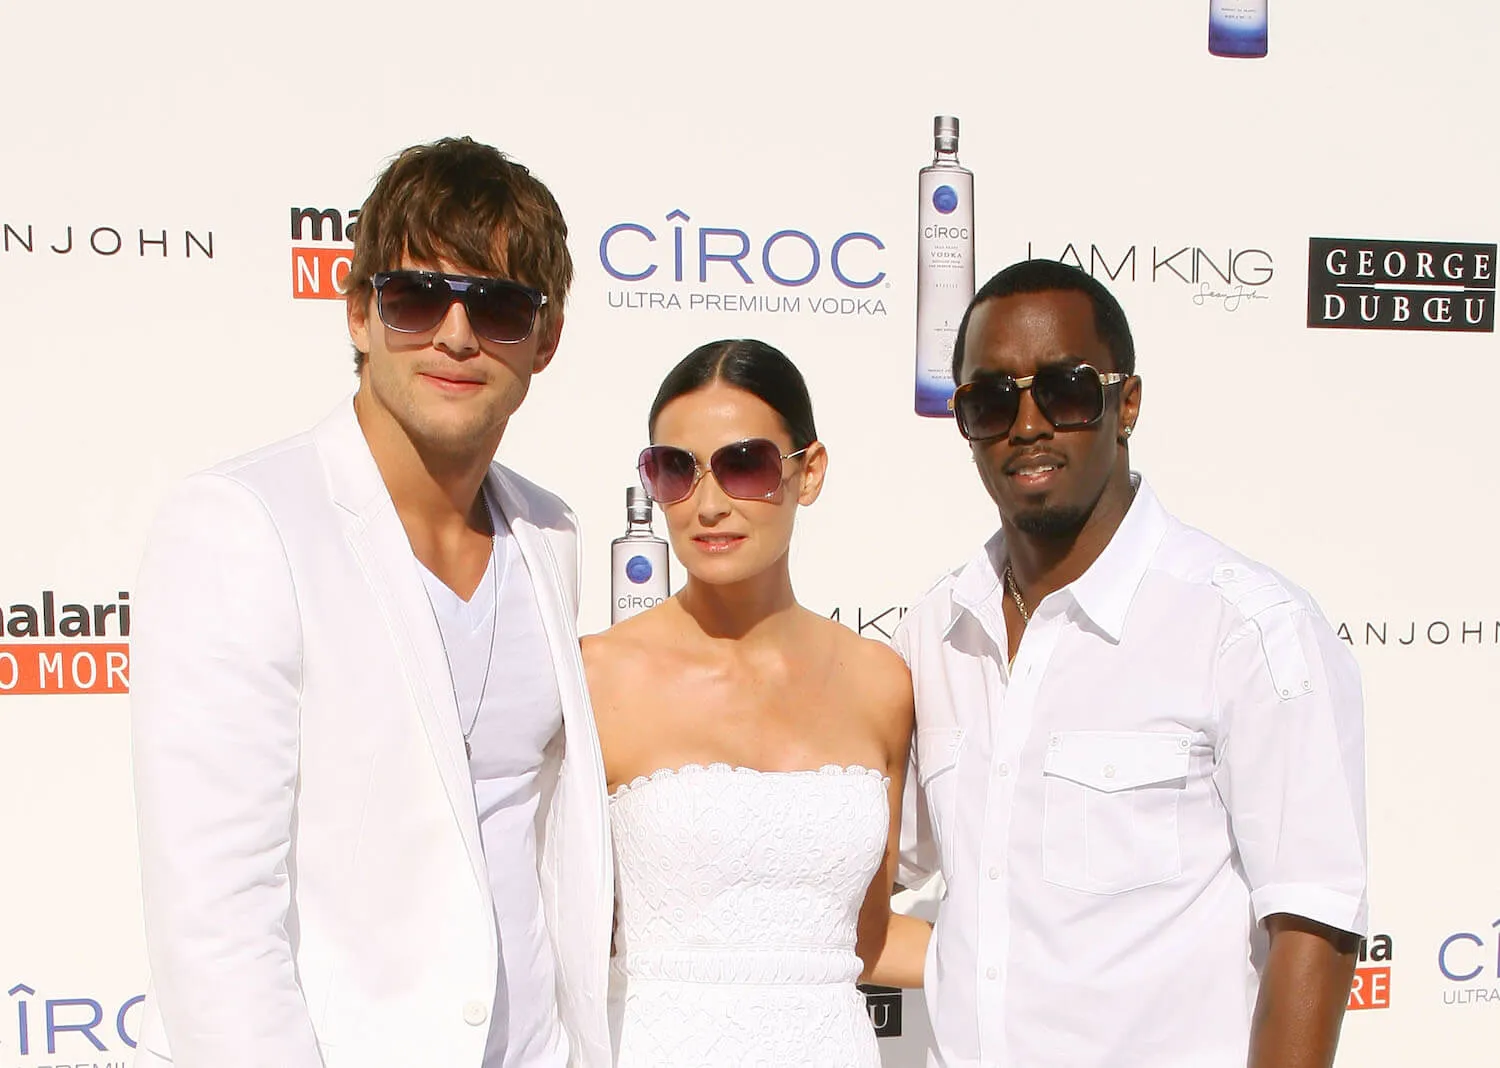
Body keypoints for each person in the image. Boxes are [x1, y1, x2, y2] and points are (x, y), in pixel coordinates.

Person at [129, 137, 611, 1068]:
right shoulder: (244, 525)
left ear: (544, 341)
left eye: (501, 306)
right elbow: (214, 918)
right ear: (359, 312)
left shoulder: (550, 533)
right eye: (417, 298)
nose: (457, 337)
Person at [895, 259, 1368, 1068]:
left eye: (1067, 390)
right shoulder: (935, 633)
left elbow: (1313, 925)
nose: (1029, 423)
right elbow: (866, 878)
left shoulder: (1242, 626)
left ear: (1128, 404)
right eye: (991, 400)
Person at [582, 339, 929, 1067]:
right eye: (674, 469)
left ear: (809, 473)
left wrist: (1069, 971)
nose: (707, 505)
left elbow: (864, 941)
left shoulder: (879, 682)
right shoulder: (597, 676)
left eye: (745, 464)